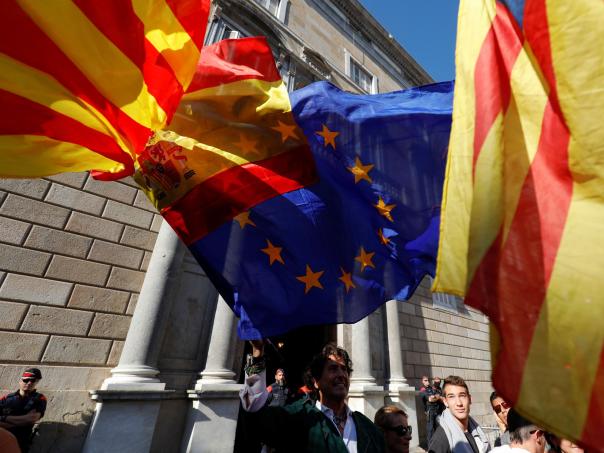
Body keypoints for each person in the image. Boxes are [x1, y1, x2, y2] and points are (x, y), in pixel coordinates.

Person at [240, 341, 386, 452]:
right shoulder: (298, 418)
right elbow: (257, 419)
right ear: (316, 381)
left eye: (344, 369)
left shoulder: (367, 427)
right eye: (333, 368)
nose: (341, 374)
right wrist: (257, 351)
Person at [428, 375, 490, 453]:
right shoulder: (440, 440)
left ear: (470, 399)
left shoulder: (475, 430)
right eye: (451, 397)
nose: (459, 403)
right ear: (445, 402)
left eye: (462, 395)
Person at [0, 368, 47, 453]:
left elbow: (31, 419)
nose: (29, 383)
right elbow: (26, 420)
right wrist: (22, 420)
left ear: (36, 382)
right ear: (20, 381)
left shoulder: (39, 399)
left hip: (21, 442)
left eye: (33, 381)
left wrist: (4, 418)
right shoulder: (6, 398)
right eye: (26, 380)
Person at [420, 375, 444, 444]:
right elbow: (430, 399)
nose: (427, 382)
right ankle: (430, 446)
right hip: (430, 410)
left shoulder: (431, 388)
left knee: (438, 427)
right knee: (430, 429)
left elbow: (438, 396)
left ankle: (437, 444)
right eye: (425, 380)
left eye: (428, 380)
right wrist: (436, 397)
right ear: (422, 382)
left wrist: (436, 397)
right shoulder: (423, 390)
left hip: (437, 410)